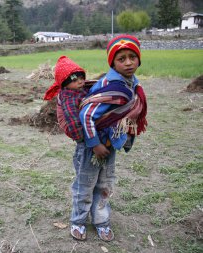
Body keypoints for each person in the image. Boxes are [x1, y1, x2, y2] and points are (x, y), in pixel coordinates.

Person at [70, 34, 147, 241]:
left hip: (108, 145)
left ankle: (101, 221)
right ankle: (78, 221)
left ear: (139, 58)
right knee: (85, 184)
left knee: (104, 184)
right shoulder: (111, 85)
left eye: (132, 56)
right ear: (112, 62)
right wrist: (94, 144)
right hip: (91, 146)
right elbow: (86, 114)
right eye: (121, 59)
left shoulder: (131, 84)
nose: (128, 62)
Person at [43, 56, 93, 142]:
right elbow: (72, 119)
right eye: (74, 80)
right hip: (82, 134)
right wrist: (81, 138)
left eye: (81, 78)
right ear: (65, 84)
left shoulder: (80, 88)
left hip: (88, 128)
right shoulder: (69, 97)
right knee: (83, 154)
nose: (80, 81)